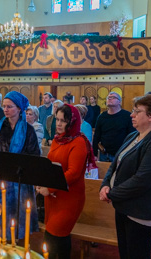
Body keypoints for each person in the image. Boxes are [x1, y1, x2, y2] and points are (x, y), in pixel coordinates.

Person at [99, 94, 151, 259]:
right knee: (125, 254)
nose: (132, 115)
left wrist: (111, 193)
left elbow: (142, 181)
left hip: (140, 211)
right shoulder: (133, 136)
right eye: (133, 111)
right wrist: (105, 184)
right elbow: (115, 164)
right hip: (123, 206)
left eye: (137, 112)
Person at [37, 104, 96, 259]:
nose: (59, 124)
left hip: (69, 198)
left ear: (72, 122)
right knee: (54, 237)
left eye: (63, 121)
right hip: (54, 197)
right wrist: (41, 181)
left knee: (56, 235)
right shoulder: (58, 140)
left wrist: (49, 188)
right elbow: (51, 166)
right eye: (57, 119)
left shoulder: (79, 142)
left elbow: (73, 173)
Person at [0, 91, 40, 241]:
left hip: (21, 181)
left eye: (9, 107)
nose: (5, 109)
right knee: (1, 216)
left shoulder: (28, 130)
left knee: (19, 218)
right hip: (1, 178)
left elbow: (34, 156)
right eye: (4, 106)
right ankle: (2, 244)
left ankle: (17, 246)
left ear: (19, 109)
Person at [93, 92, 135, 162]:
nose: (109, 99)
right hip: (104, 154)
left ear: (119, 102)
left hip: (121, 154)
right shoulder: (102, 116)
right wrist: (94, 154)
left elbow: (132, 136)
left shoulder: (127, 116)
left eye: (113, 97)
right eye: (108, 98)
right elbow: (96, 136)